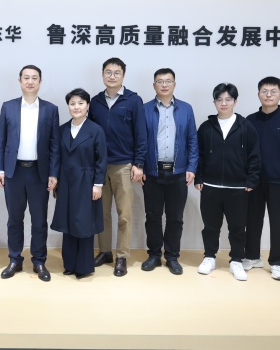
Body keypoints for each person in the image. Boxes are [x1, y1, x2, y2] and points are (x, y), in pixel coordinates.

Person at [0, 65, 60, 282]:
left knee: (39, 220)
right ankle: (14, 259)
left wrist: (54, 173)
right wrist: (0, 169)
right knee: (14, 219)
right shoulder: (8, 107)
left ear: (40, 82)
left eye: (34, 78)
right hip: (14, 172)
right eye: (26, 78)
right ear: (20, 81)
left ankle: (39, 261)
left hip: (39, 173)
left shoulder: (50, 109)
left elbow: (54, 145)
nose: (30, 81)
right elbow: (1, 140)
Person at [195, 83, 261, 281]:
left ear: (235, 102)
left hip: (238, 188)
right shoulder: (206, 127)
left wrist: (251, 180)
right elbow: (198, 155)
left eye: (228, 99)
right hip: (211, 186)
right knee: (210, 226)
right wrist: (199, 177)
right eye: (219, 99)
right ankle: (209, 257)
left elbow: (254, 156)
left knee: (237, 228)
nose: (223, 103)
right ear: (214, 102)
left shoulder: (246, 127)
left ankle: (236, 261)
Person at [89, 57, 146, 276]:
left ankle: (122, 256)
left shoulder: (133, 100)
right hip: (100, 166)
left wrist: (138, 163)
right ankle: (105, 252)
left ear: (123, 75)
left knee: (124, 215)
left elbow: (141, 133)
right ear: (102, 74)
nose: (112, 76)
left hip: (123, 165)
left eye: (116, 73)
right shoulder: (95, 102)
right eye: (108, 72)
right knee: (102, 213)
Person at [244, 77, 280, 281]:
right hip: (254, 181)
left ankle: (277, 263)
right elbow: (244, 152)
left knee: (279, 223)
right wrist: (247, 178)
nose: (268, 95)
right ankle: (252, 256)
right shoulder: (250, 121)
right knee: (252, 221)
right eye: (264, 91)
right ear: (258, 94)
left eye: (273, 91)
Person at [140, 68, 198, 275]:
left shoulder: (186, 109)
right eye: (160, 81)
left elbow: (192, 140)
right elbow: (140, 140)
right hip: (152, 173)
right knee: (152, 216)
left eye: (168, 81)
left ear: (175, 84)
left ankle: (172, 256)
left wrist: (191, 167)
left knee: (175, 218)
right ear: (154, 85)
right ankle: (154, 255)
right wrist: (140, 166)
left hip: (178, 173)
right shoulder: (144, 109)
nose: (164, 85)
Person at [51, 89, 107, 278]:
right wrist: (55, 178)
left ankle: (83, 267)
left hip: (87, 183)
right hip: (66, 183)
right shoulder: (62, 129)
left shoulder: (96, 130)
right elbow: (56, 156)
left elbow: (101, 159)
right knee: (68, 224)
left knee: (84, 224)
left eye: (80, 103)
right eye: (72, 103)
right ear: (68, 106)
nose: (76, 107)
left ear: (87, 106)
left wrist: (98, 184)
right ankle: (69, 264)